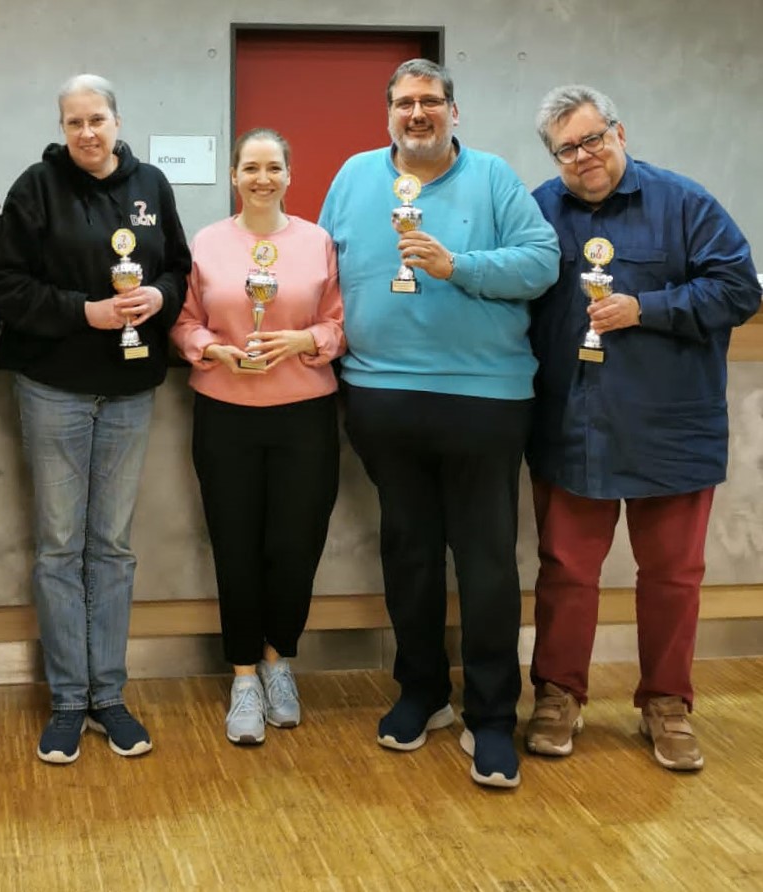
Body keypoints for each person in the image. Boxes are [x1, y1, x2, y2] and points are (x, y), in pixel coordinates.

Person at [318, 58, 559, 788]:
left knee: (486, 562)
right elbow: (321, 270)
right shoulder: (354, 176)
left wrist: (460, 267)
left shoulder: (493, 178)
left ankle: (492, 715)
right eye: (404, 102)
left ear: (455, 111)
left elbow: (542, 263)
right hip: (380, 396)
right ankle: (422, 692)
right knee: (409, 554)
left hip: (485, 400)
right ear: (387, 113)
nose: (416, 113)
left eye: (430, 100)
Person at [525, 85, 761, 772]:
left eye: (593, 139)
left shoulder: (685, 203)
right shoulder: (538, 209)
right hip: (575, 423)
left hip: (672, 424)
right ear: (554, 158)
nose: (583, 156)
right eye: (566, 149)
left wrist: (645, 309)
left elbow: (740, 289)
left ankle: (667, 703)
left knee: (672, 576)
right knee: (566, 571)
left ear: (619, 133)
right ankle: (558, 695)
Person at [0, 74, 190, 764]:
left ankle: (110, 695)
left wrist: (158, 298)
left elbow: (179, 269)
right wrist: (86, 312)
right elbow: (5, 285)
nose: (86, 132)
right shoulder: (35, 188)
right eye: (74, 122)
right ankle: (69, 699)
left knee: (112, 547)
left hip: (130, 390)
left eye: (96, 119)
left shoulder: (152, 185)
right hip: (55, 390)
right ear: (62, 127)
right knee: (59, 546)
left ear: (117, 121)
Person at [171, 128, 344, 746]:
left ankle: (279, 661)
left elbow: (338, 324)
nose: (262, 178)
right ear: (234, 176)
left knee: (295, 545)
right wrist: (211, 348)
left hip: (305, 415)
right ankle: (243, 675)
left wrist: (304, 341)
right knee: (235, 544)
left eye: (273, 167)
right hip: (225, 414)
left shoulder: (318, 242)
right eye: (251, 167)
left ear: (290, 175)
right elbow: (185, 321)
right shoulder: (207, 242)